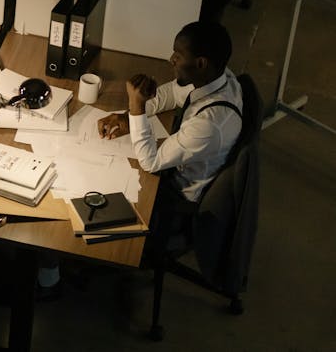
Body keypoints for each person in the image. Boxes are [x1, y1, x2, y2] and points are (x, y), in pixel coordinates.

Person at [36, 21, 243, 297]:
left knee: (65, 196)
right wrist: (128, 115)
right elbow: (171, 93)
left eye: (178, 56)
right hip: (175, 167)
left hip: (173, 195)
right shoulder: (219, 78)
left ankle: (50, 278)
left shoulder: (211, 124)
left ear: (201, 62)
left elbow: (151, 162)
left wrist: (136, 108)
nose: (171, 60)